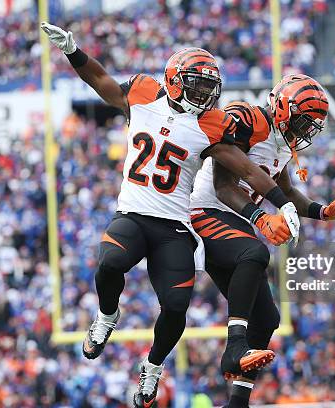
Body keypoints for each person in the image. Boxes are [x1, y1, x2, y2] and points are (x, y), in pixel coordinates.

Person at [41, 22, 300, 408]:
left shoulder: (211, 124)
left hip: (175, 227)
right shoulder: (144, 93)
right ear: (174, 79)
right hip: (133, 212)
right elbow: (100, 80)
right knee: (109, 264)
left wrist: (284, 200)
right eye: (195, 83)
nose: (203, 92)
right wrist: (73, 51)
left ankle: (153, 366)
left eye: (208, 86)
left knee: (176, 309)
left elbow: (246, 169)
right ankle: (107, 316)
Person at [189, 74, 335, 407]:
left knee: (268, 319)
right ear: (284, 106)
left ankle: (238, 402)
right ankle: (234, 345)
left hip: (234, 221)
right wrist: (260, 218)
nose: (305, 131)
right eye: (303, 121)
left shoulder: (282, 143)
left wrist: (322, 211)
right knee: (255, 253)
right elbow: (224, 186)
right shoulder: (248, 120)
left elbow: (285, 191)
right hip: (204, 210)